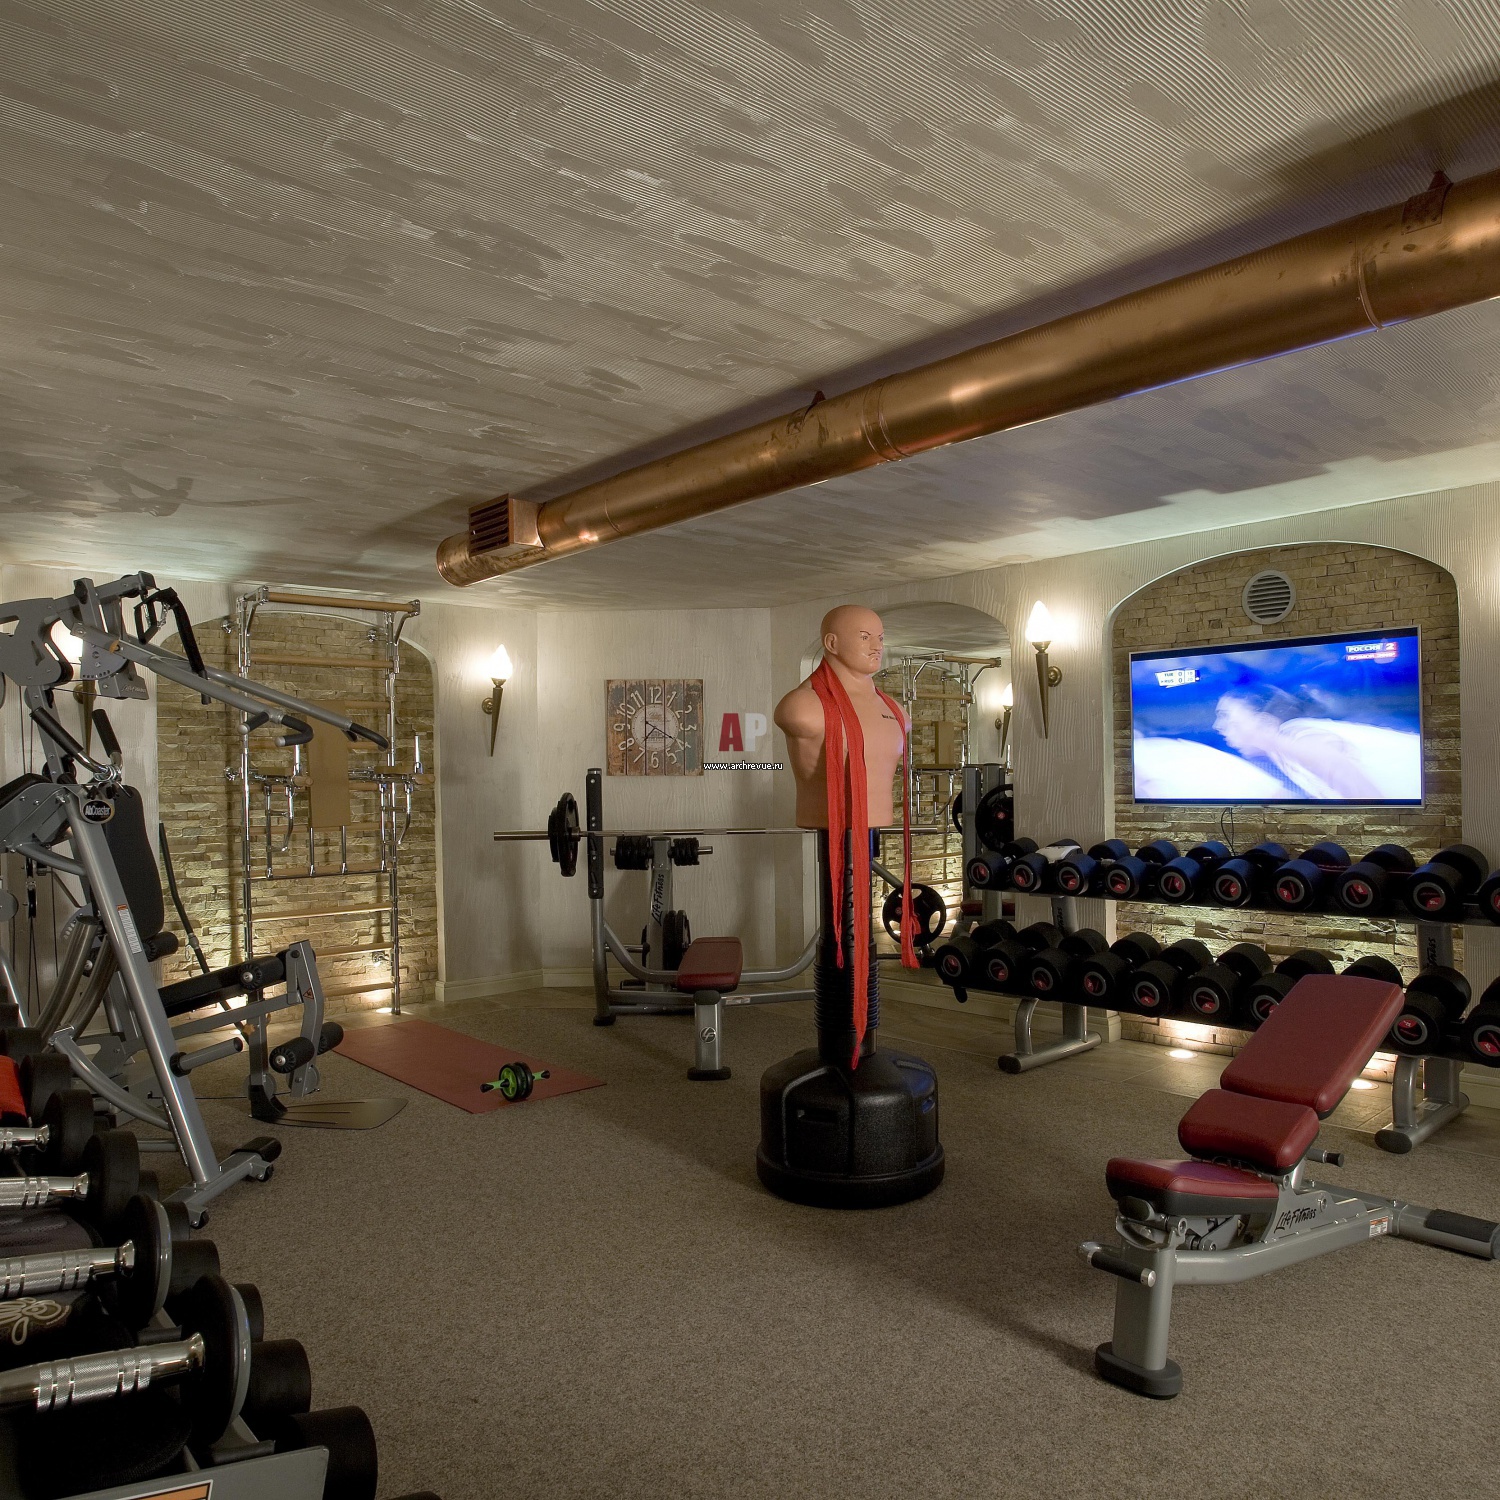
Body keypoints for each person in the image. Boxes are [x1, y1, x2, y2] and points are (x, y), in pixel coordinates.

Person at [1212, 683, 1418, 801]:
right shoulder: (1283, 752)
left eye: (1225, 715)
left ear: (1263, 720)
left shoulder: (1295, 735)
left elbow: (1367, 797)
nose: (1217, 726)